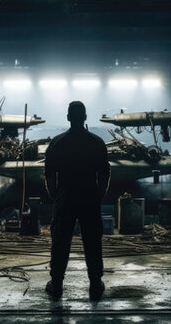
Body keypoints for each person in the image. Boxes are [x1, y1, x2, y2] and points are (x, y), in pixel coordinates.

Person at [43, 101, 111, 301]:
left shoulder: (57, 143)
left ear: (68, 118)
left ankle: (56, 285)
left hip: (65, 199)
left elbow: (49, 175)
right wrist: (98, 196)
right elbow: (105, 175)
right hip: (89, 198)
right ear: (85, 118)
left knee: (60, 242)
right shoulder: (97, 142)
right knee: (92, 242)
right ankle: (95, 285)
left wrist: (56, 196)